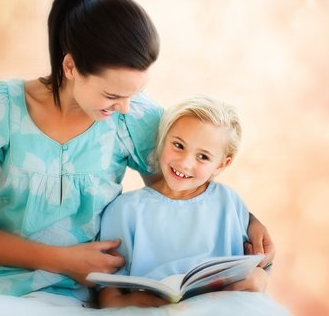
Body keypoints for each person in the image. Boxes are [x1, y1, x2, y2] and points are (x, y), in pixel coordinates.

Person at [0, 0, 274, 307]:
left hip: (88, 293)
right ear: (70, 66)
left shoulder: (133, 118)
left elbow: (177, 191)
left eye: (134, 94)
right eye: (113, 95)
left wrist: (248, 221)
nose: (124, 107)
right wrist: (63, 260)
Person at [97, 96, 271, 308]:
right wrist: (123, 302)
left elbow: (254, 266)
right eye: (178, 145)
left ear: (221, 165)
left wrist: (259, 277)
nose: (185, 163)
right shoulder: (125, 209)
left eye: (203, 157)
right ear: (163, 139)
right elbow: (108, 288)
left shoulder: (228, 201)